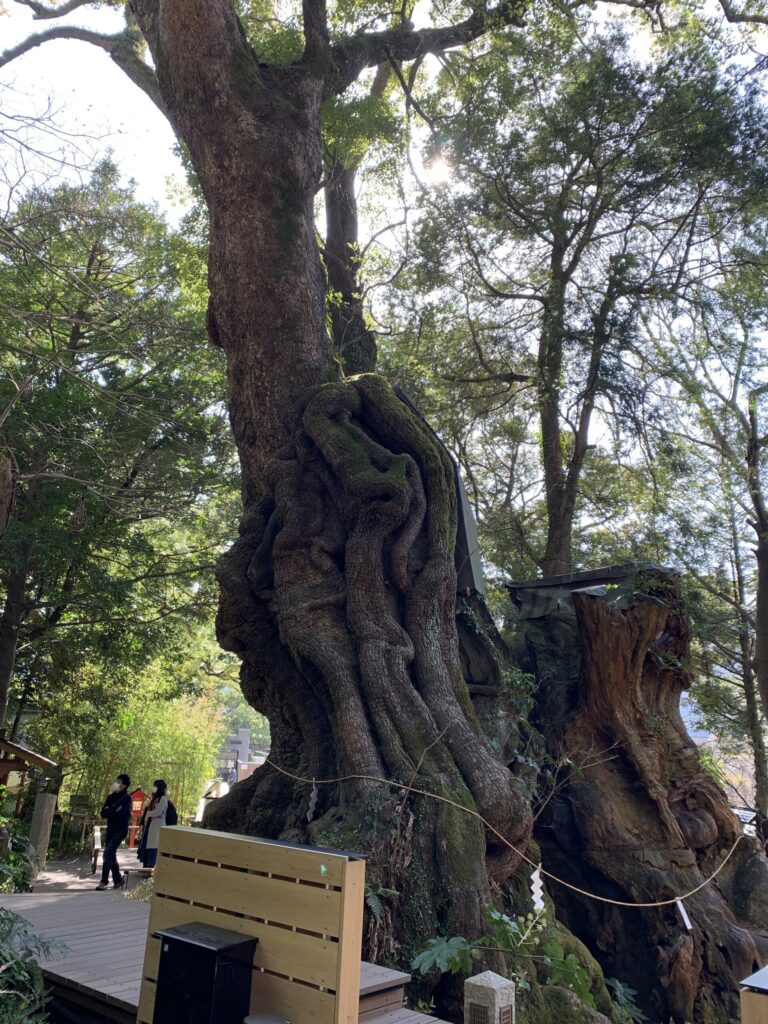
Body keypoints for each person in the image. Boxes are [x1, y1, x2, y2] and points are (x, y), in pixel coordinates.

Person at [95, 773, 131, 891]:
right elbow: (103, 813)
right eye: (116, 781)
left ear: (124, 785)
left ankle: (104, 881)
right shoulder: (111, 797)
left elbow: (123, 814)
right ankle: (118, 880)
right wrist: (114, 811)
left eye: (119, 782)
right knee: (110, 854)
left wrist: (111, 811)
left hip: (121, 830)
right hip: (110, 829)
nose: (116, 784)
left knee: (107, 853)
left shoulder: (127, 798)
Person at [137, 779, 168, 869]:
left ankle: (150, 866)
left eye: (155, 786)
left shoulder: (163, 798)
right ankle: (146, 865)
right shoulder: (154, 799)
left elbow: (158, 811)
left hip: (158, 823)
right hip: (151, 824)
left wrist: (148, 814)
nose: (153, 788)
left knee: (154, 845)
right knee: (148, 844)